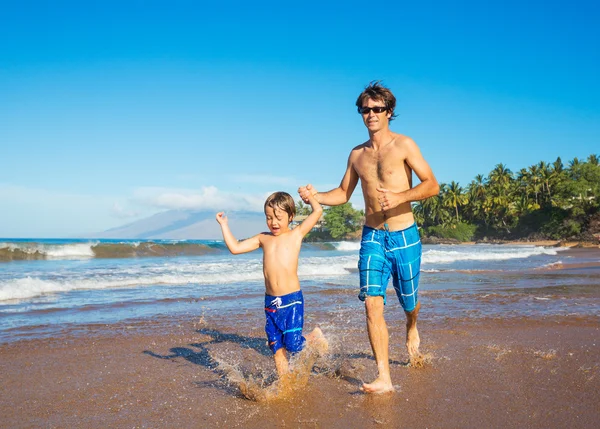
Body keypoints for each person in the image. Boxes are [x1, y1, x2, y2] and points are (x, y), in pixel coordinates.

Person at [299, 81, 439, 393]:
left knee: (409, 303)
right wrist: (315, 196)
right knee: (372, 304)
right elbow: (342, 193)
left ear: (389, 112)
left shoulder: (405, 146)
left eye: (377, 109)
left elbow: (432, 185)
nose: (371, 114)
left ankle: (412, 327)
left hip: (405, 236)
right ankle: (384, 377)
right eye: (366, 109)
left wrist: (401, 196)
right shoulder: (356, 155)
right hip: (373, 236)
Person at [215, 191, 327, 377]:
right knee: (276, 344)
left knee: (293, 345)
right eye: (269, 217)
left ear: (291, 217)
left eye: (278, 217)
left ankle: (314, 337)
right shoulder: (263, 238)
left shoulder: (296, 234)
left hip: (291, 300)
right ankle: (285, 382)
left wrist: (310, 198)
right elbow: (235, 248)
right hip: (271, 302)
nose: (273, 222)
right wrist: (224, 225)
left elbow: (317, 211)